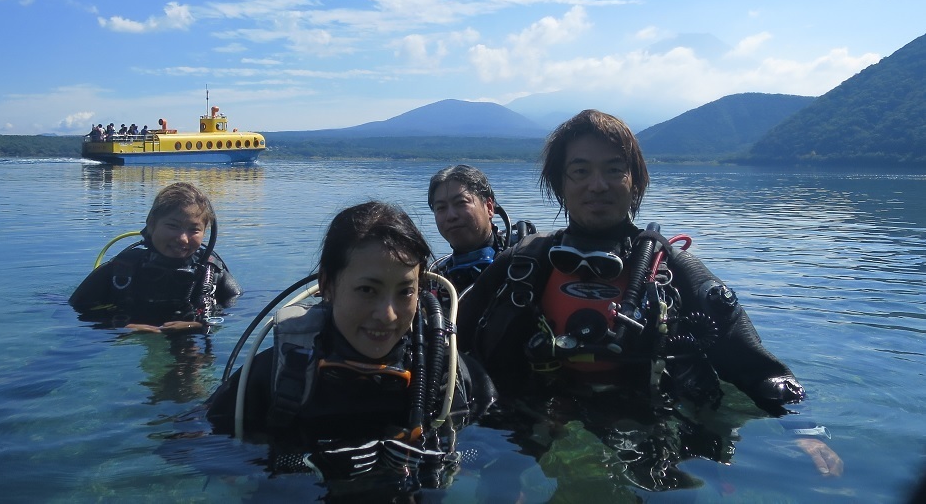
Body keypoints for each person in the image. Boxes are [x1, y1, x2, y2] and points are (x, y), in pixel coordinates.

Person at [457, 109, 843, 487]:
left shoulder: (674, 270)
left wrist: (804, 429)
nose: (597, 185)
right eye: (580, 171)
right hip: (531, 412)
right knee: (498, 486)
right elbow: (455, 342)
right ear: (560, 183)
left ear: (635, 182)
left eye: (614, 170)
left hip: (648, 419)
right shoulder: (522, 264)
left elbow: (753, 363)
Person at [205, 200, 496, 494]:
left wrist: (450, 458)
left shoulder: (446, 375)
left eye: (405, 291)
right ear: (327, 286)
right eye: (367, 290)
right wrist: (300, 463)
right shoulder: (278, 373)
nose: (388, 315)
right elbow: (195, 447)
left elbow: (499, 446)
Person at [70, 182, 241, 333]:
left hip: (188, 335)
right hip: (128, 338)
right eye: (172, 226)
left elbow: (240, 313)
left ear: (205, 231)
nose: (182, 238)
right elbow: (72, 311)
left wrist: (196, 326)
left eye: (194, 229)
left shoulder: (213, 274)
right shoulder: (122, 269)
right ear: (151, 225)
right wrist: (122, 325)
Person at [427, 164, 535, 294]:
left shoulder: (528, 260)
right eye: (441, 208)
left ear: (489, 207)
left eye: (461, 202)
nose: (451, 216)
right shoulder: (435, 280)